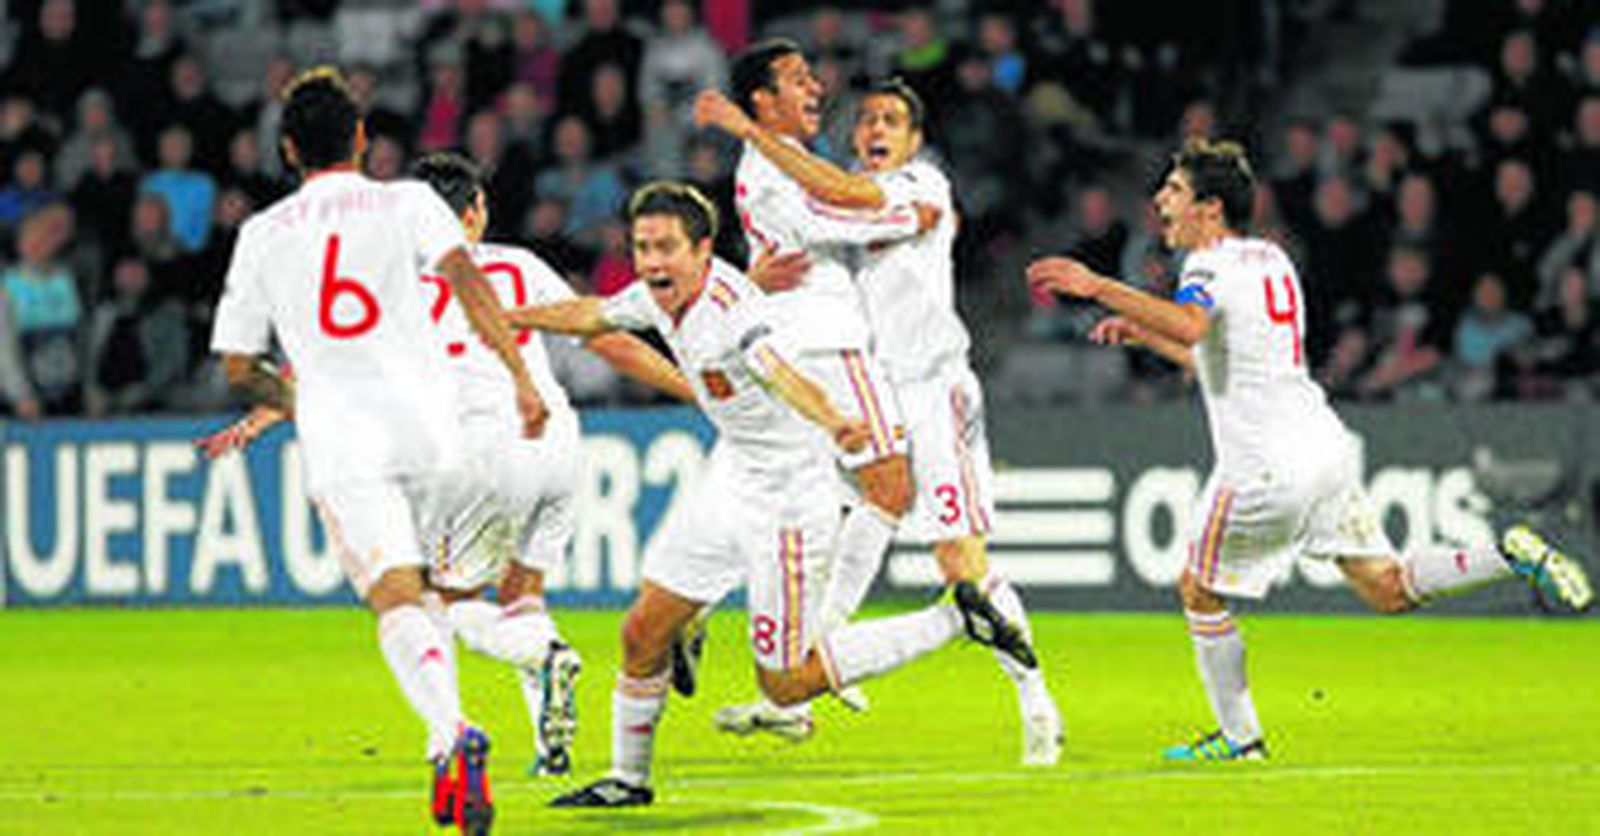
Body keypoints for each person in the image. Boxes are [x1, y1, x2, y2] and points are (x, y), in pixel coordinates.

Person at [1025, 138, 1595, 762]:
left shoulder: (1206, 266)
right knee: (1387, 589)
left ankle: (1240, 739)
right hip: (1323, 445)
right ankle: (1507, 554)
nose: (1161, 200)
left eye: (1175, 190)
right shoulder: (1271, 258)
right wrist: (1144, 334)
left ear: (1210, 209)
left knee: (1197, 588)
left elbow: (1191, 325)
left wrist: (1098, 286)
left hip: (1263, 467)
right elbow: (1220, 360)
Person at [507, 182, 1018, 807]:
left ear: (702, 250)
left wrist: (833, 418)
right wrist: (513, 317)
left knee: (785, 684)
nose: (652, 261)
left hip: (789, 502)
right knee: (642, 631)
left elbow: (779, 370)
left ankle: (955, 618)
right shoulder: (655, 296)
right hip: (733, 482)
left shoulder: (734, 313)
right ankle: (627, 780)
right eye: (642, 247)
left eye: (666, 248)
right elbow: (594, 313)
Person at [208, 67, 547, 833]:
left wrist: (306, 402)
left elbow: (237, 367)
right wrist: (521, 376)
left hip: (349, 442)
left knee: (395, 600)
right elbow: (470, 282)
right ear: (361, 138)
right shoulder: (413, 202)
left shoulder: (264, 234)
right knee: (430, 597)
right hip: (433, 428)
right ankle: (445, 756)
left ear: (287, 149)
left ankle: (452, 732)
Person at [695, 77, 1062, 765]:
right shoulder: (838, 208)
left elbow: (838, 196)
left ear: (916, 140)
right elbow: (804, 237)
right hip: (870, 388)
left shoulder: (921, 184)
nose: (875, 129)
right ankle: (800, 686)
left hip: (933, 390)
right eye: (866, 119)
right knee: (813, 515)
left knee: (961, 565)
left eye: (892, 120)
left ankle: (1037, 701)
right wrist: (754, 279)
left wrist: (749, 131)